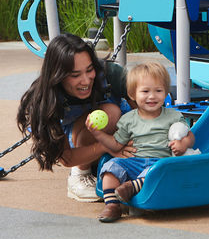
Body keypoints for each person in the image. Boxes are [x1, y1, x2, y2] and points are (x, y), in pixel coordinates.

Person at [16, 33, 131, 202]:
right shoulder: (44, 101)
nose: (86, 80)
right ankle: (80, 175)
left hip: (122, 132)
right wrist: (110, 146)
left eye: (89, 70)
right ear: (58, 75)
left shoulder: (110, 74)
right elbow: (66, 157)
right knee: (110, 113)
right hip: (84, 143)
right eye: (75, 75)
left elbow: (146, 110)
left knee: (120, 113)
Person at [88, 61, 195, 223]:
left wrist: (183, 144)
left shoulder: (173, 115)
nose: (152, 96)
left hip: (160, 162)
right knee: (110, 167)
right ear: (132, 95)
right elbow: (116, 144)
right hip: (134, 162)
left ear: (165, 92)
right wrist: (98, 134)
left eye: (158, 91)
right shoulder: (128, 119)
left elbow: (190, 135)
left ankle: (132, 187)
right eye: (145, 91)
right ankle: (112, 205)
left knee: (159, 171)